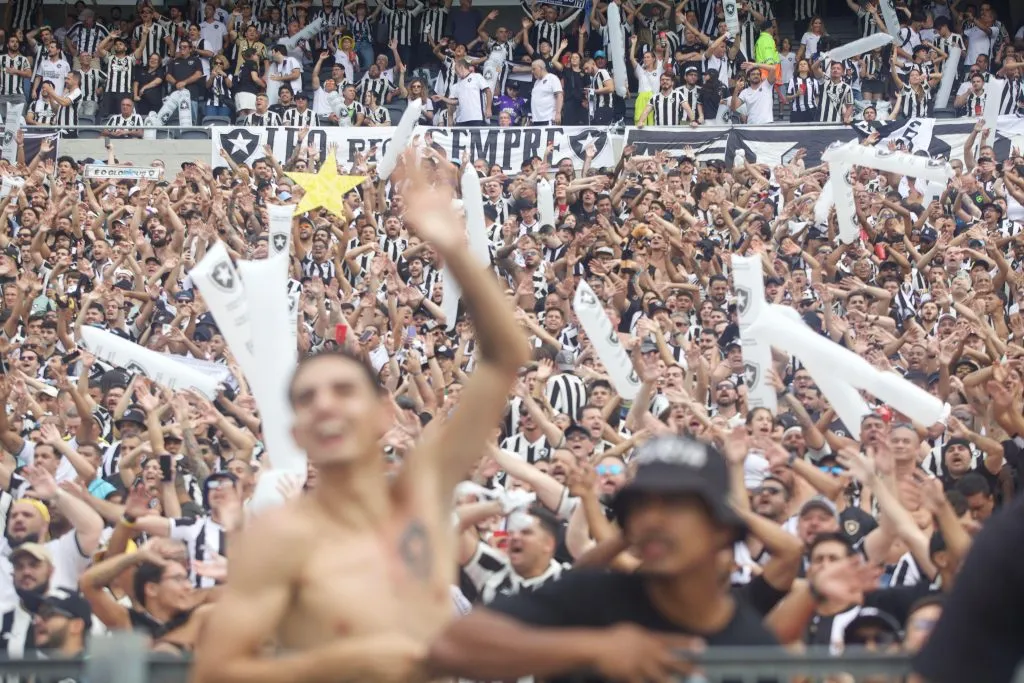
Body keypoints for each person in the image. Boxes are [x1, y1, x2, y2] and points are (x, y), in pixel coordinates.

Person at [191, 153, 530, 683]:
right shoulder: (279, 538)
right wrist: (345, 662)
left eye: (344, 390)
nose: (326, 405)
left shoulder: (423, 496)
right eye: (308, 398)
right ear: (296, 431)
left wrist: (453, 249)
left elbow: (506, 357)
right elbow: (215, 670)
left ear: (383, 412)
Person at [428, 435, 777, 682]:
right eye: (638, 505)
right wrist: (593, 648)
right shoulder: (591, 596)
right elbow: (451, 646)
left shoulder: (751, 647)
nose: (651, 520)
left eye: (675, 504)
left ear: (721, 528)